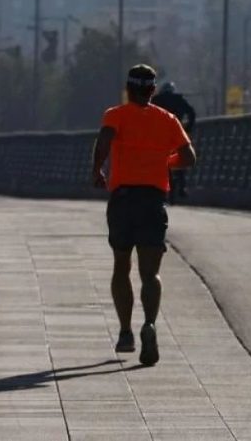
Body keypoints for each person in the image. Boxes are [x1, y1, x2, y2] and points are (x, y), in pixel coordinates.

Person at [92, 64, 197, 366]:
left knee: (121, 265)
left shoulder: (115, 115)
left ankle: (126, 332)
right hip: (152, 201)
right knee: (150, 273)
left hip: (123, 199)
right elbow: (189, 158)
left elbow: (104, 141)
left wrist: (96, 169)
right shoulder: (168, 120)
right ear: (153, 91)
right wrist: (164, 162)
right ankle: (149, 324)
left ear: (128, 89)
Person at [151, 81, 197, 202]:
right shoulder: (179, 99)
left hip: (159, 134)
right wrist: (188, 128)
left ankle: (159, 187)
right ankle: (182, 187)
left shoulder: (156, 100)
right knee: (182, 157)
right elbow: (191, 113)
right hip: (177, 133)